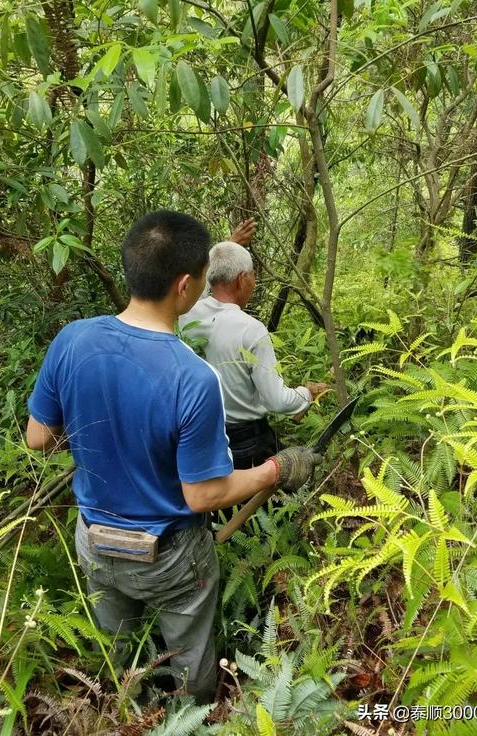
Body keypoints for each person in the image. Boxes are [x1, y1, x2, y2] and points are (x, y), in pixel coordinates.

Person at [25, 210, 322, 703]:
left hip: (94, 541)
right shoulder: (192, 377)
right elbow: (204, 493)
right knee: (191, 665)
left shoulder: (72, 340)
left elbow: (39, 439)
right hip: (170, 556)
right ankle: (193, 716)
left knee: (121, 654)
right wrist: (276, 468)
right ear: (185, 286)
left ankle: (126, 712)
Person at [179, 238, 328, 469]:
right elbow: (277, 401)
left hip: (203, 438)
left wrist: (226, 248)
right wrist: (307, 393)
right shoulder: (251, 329)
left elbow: (198, 292)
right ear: (242, 279)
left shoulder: (186, 315)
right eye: (252, 276)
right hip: (246, 442)